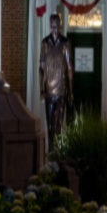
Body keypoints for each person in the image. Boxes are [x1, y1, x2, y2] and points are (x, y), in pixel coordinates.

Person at [39, 12, 73, 140]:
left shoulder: (65, 43)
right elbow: (41, 68)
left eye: (57, 26)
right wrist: (41, 90)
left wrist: (70, 91)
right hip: (48, 90)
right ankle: (52, 152)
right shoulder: (45, 44)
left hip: (61, 90)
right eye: (52, 26)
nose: (55, 29)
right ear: (50, 26)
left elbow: (69, 68)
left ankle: (57, 153)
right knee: (49, 126)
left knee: (57, 125)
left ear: (60, 26)